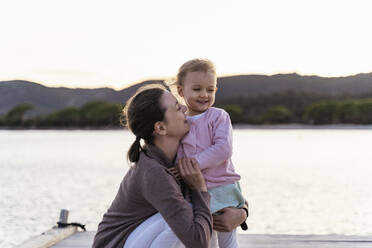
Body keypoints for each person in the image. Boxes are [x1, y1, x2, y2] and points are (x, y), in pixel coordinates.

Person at [92, 84, 248, 248]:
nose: (184, 108)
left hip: (140, 240)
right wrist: (199, 189)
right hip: (118, 244)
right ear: (160, 127)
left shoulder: (181, 157)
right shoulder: (154, 172)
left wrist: (242, 212)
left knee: (187, 213)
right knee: (183, 216)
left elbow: (222, 188)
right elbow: (198, 241)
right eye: (176, 107)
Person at [173, 58, 246, 248]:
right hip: (194, 191)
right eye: (197, 89)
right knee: (205, 239)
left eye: (210, 89)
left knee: (228, 239)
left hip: (222, 187)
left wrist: (191, 164)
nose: (204, 95)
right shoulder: (178, 119)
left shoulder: (218, 116)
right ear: (181, 91)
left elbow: (224, 148)